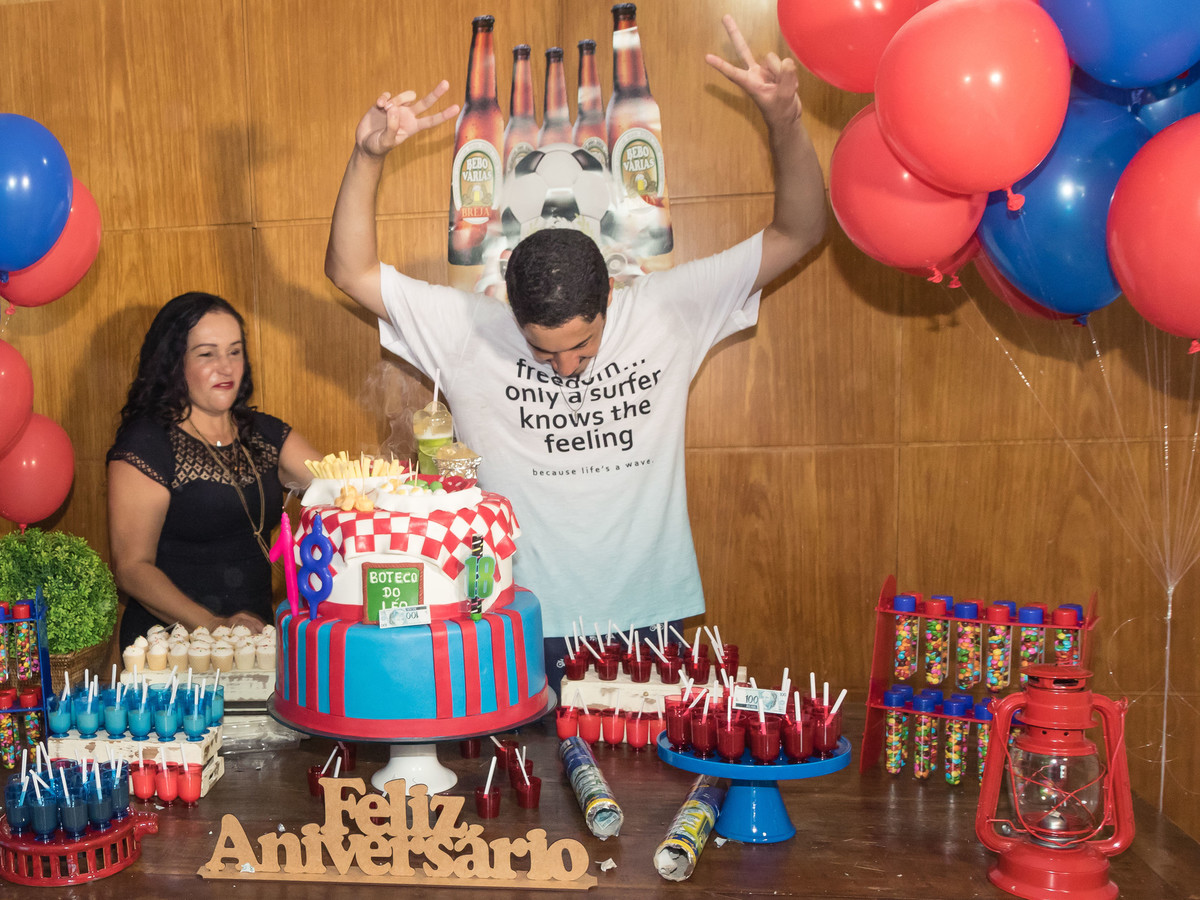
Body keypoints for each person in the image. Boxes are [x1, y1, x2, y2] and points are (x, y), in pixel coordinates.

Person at [324, 16, 826, 693]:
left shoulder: (667, 311)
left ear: (610, 297)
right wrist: (367, 156)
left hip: (648, 622)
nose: (564, 368)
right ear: (511, 311)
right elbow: (350, 271)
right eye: (543, 350)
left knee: (650, 767)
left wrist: (786, 121)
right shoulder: (470, 329)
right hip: (513, 617)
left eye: (582, 345)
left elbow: (799, 232)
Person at [107, 292, 320, 646]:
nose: (226, 367)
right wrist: (214, 624)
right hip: (172, 647)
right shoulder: (147, 443)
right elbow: (131, 569)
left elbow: (340, 484)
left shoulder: (262, 433)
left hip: (255, 640)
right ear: (174, 363)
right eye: (207, 354)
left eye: (235, 352)